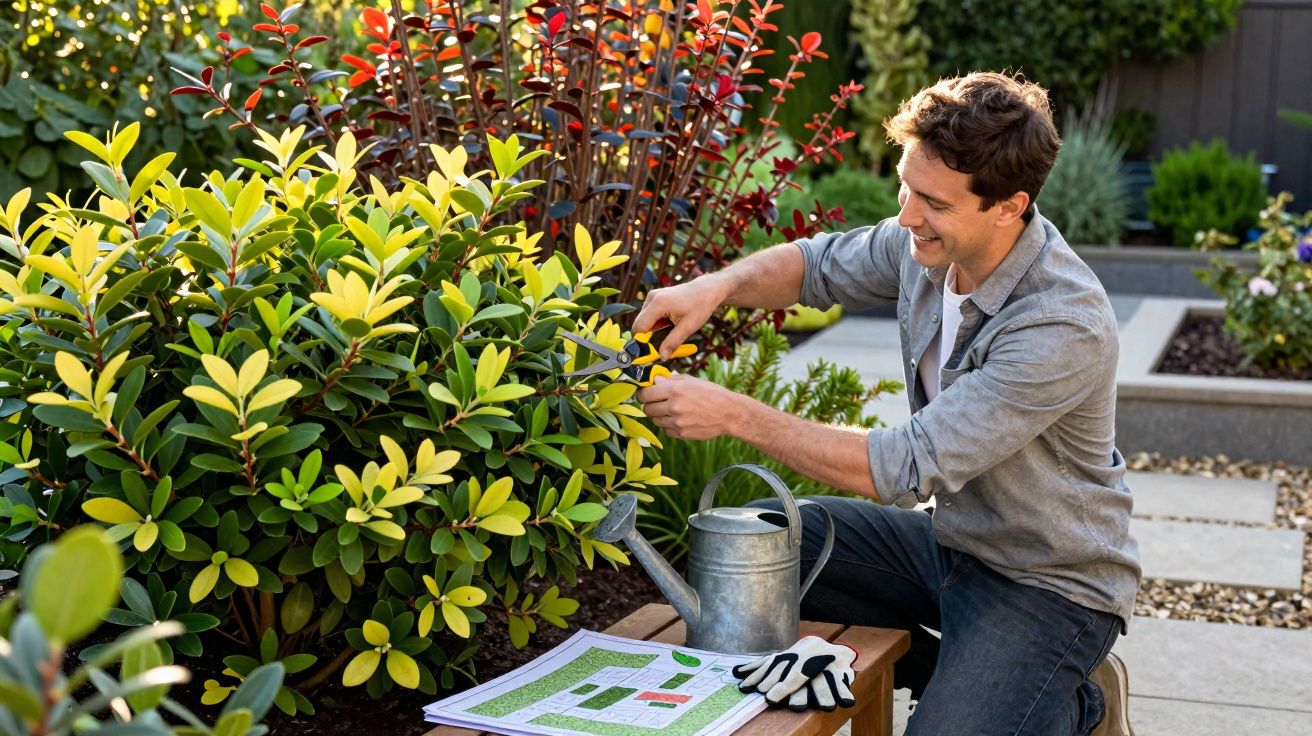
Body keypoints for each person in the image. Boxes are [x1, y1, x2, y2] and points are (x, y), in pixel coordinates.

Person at [632, 72, 1141, 736]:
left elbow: (901, 467)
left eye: (931, 201)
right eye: (906, 186)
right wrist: (717, 286)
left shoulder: (1061, 325)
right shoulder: (927, 248)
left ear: (1009, 207)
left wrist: (733, 413)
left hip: (1048, 582)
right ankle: (998, 685)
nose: (905, 215)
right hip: (952, 543)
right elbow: (815, 267)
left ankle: (1069, 705)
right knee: (753, 544)